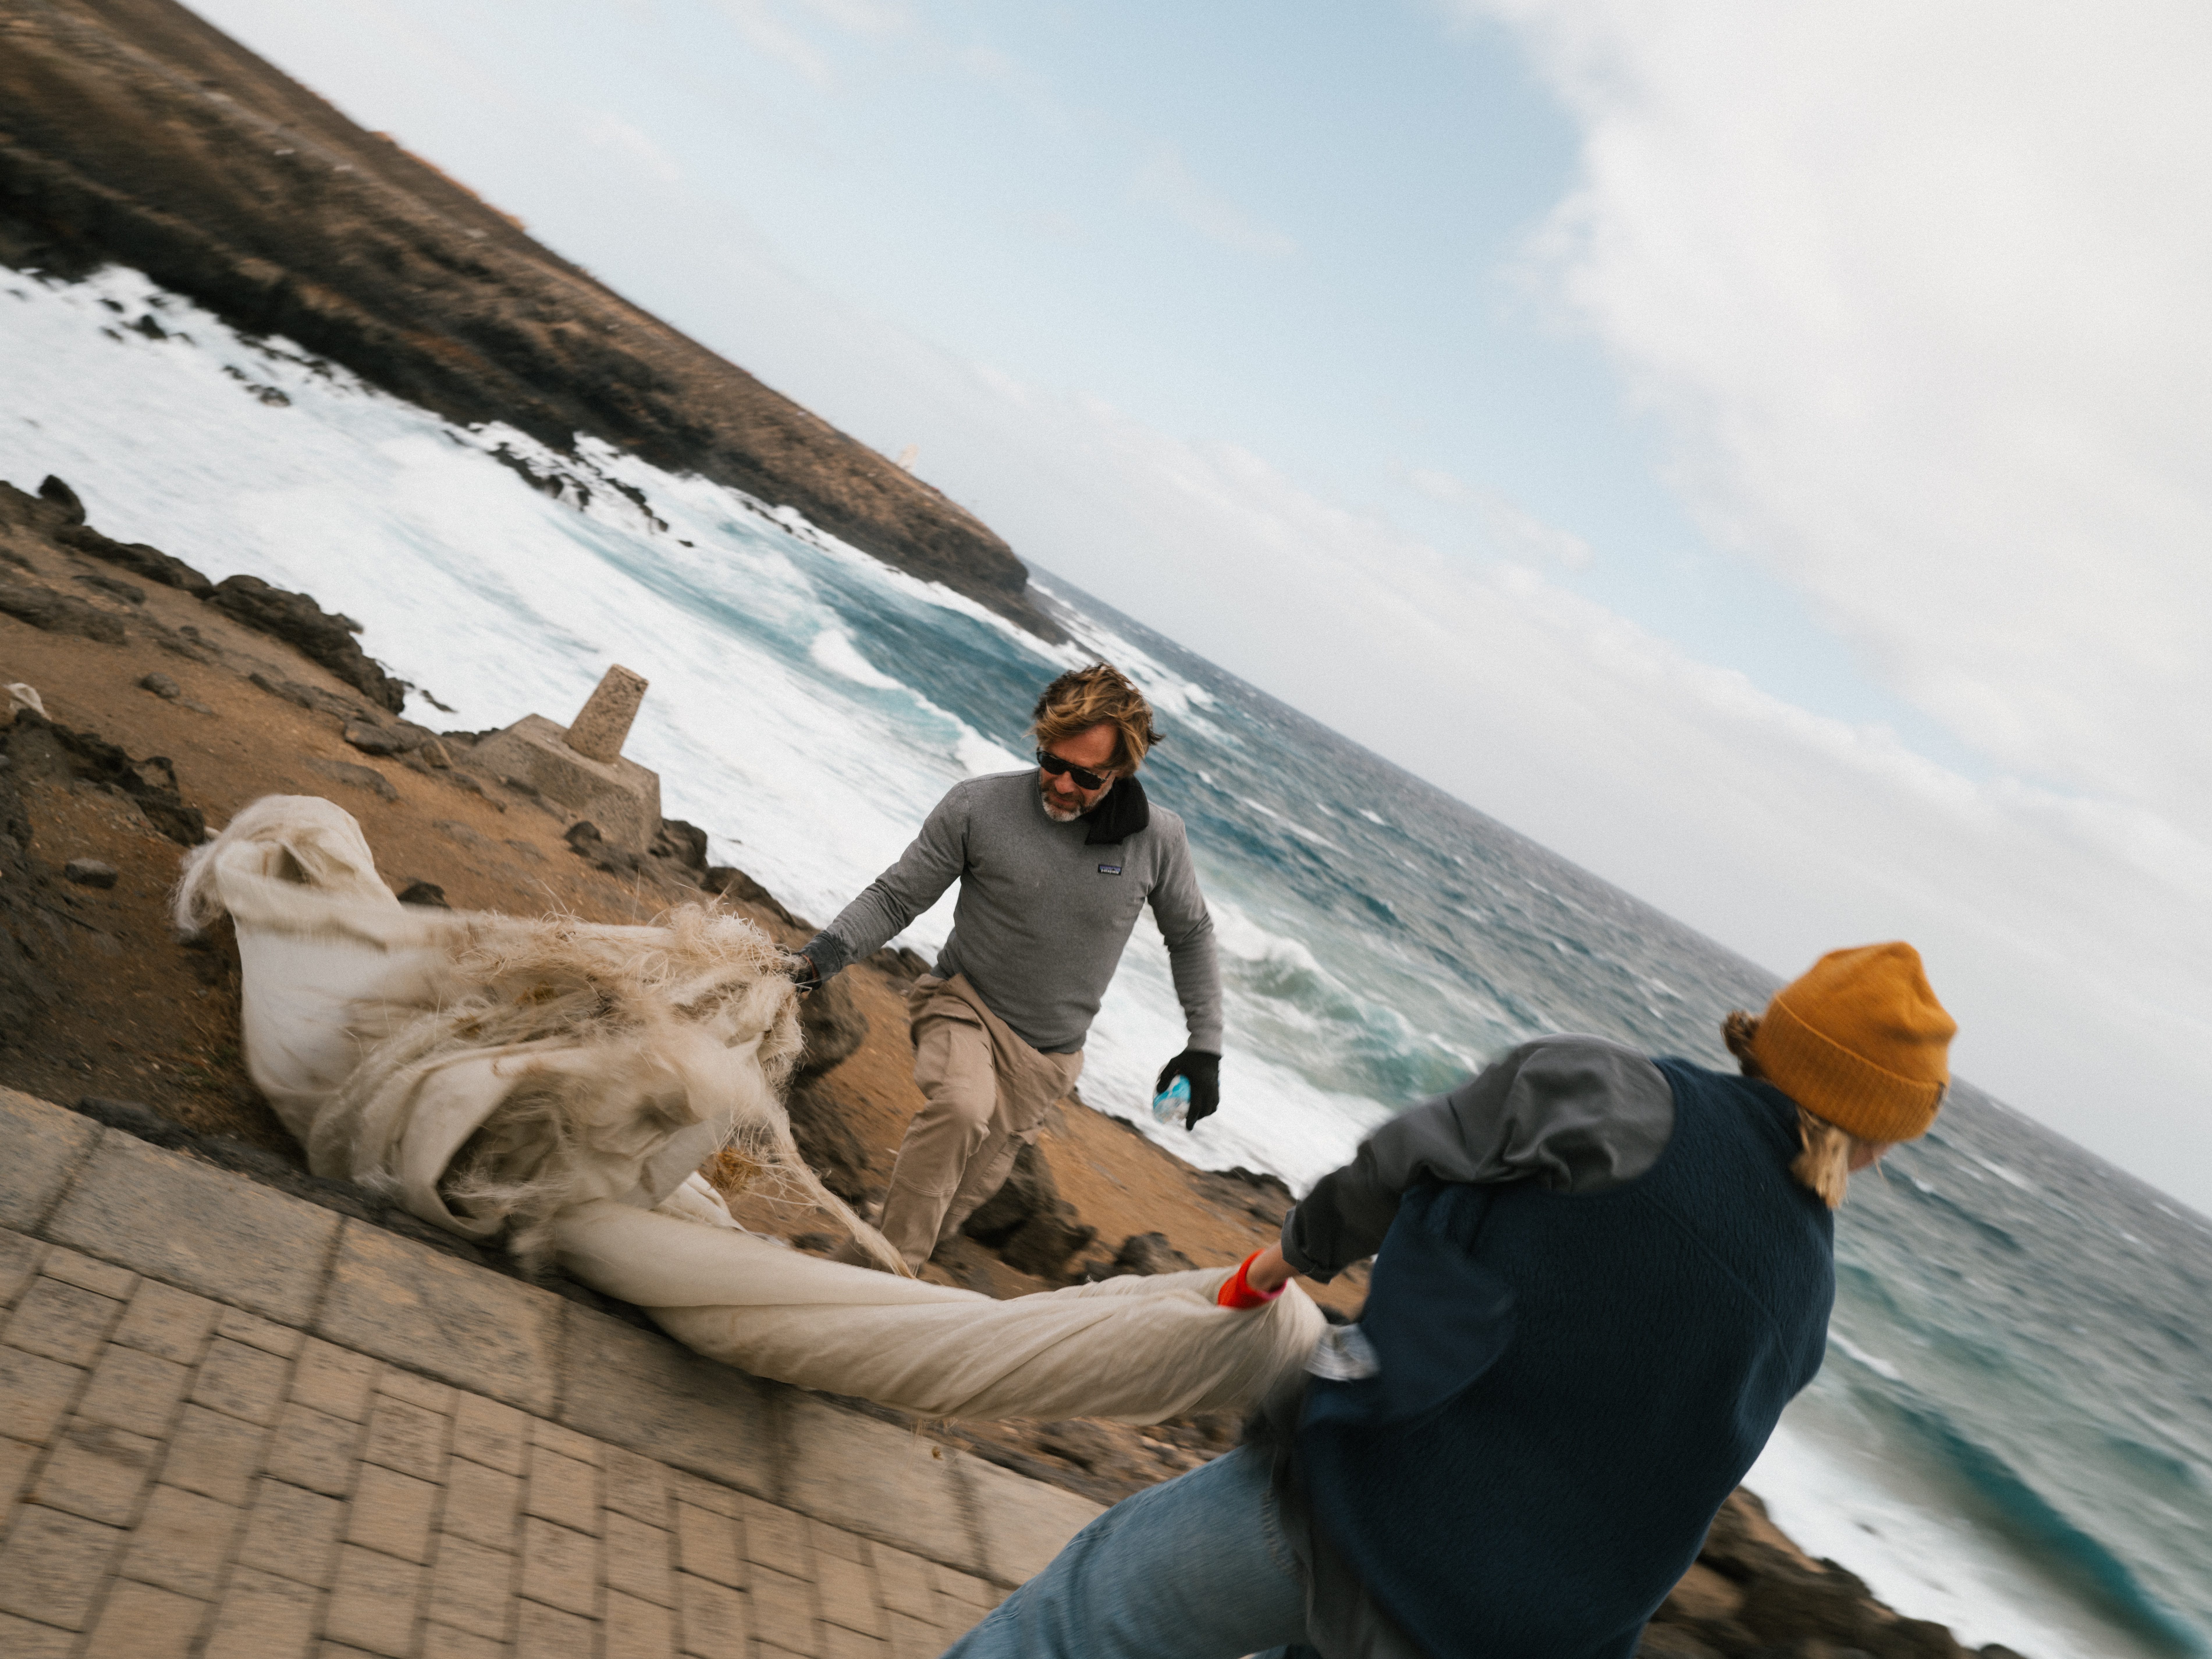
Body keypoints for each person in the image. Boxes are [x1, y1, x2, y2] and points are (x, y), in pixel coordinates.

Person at [941, 941, 1957, 1659]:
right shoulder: (1806, 1300)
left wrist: (1297, 1255)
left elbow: (1394, 1166)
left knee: (1071, 1628)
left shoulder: (1616, 1092)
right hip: (1508, 1634)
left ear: (1769, 1041)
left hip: (1351, 1508)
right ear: (1881, 1137)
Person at [790, 663, 1223, 1273]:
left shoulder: (1158, 841)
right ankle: (876, 1289)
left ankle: (845, 1270)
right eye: (1052, 761)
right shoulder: (978, 806)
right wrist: (818, 959)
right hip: (961, 1004)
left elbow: (1192, 935)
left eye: (1087, 776)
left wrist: (1204, 1047)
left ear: (1122, 772)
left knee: (950, 1203)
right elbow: (896, 897)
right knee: (963, 1108)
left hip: (1047, 1062)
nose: (1063, 785)